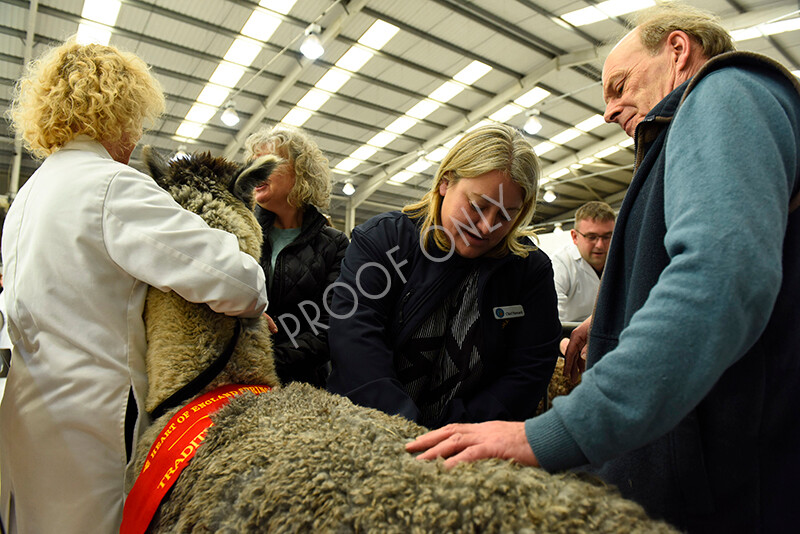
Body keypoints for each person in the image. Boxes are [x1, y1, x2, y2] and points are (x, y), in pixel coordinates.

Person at [406, 3, 800, 532]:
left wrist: (549, 433)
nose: (609, 112)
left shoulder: (723, 94)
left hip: (722, 484)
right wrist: (621, 311)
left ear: (678, 51)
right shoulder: (703, 125)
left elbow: (721, 277)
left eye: (619, 86)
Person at [0, 40, 269, 534]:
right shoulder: (112, 187)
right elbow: (237, 283)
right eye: (137, 118)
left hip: (26, 415)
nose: (138, 132)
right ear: (118, 112)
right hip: (93, 426)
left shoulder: (28, 194)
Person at [327, 123, 561, 429]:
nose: (486, 227)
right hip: (370, 427)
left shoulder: (529, 269)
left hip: (471, 442)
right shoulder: (385, 240)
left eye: (506, 215)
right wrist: (405, 428)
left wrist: (456, 432)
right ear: (445, 183)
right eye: (477, 207)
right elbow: (354, 336)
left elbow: (529, 367)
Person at [244, 125, 348, 387]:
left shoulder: (334, 245)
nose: (256, 171)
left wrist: (267, 361)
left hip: (304, 387)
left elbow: (330, 325)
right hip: (238, 378)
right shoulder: (239, 234)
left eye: (269, 162)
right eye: (254, 164)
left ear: (302, 173)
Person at [551, 201, 615, 323]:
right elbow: (552, 317)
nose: (600, 245)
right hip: (568, 332)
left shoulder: (622, 261)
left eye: (607, 237)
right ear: (575, 237)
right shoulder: (561, 263)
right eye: (591, 237)